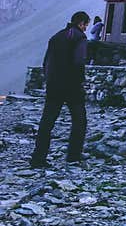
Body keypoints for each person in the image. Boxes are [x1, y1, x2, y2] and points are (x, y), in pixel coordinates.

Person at [30, 11, 90, 168]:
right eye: (85, 25)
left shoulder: (56, 37)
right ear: (81, 23)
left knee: (47, 121)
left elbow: (46, 62)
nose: (86, 28)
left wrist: (49, 80)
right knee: (79, 120)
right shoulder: (80, 38)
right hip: (72, 87)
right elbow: (79, 61)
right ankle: (73, 156)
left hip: (54, 85)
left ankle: (38, 158)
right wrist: (80, 82)